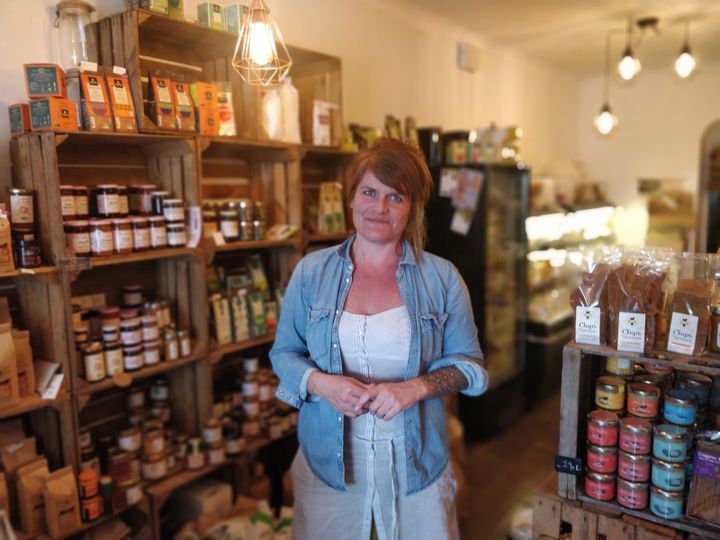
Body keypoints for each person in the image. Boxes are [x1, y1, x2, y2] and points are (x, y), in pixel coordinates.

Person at [270, 137, 488, 540]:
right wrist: (321, 383)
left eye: (395, 197)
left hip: (416, 462)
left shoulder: (442, 278)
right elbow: (284, 353)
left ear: (414, 208)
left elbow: (469, 368)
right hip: (329, 465)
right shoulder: (311, 273)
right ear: (351, 198)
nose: (379, 208)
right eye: (369, 192)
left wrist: (415, 388)